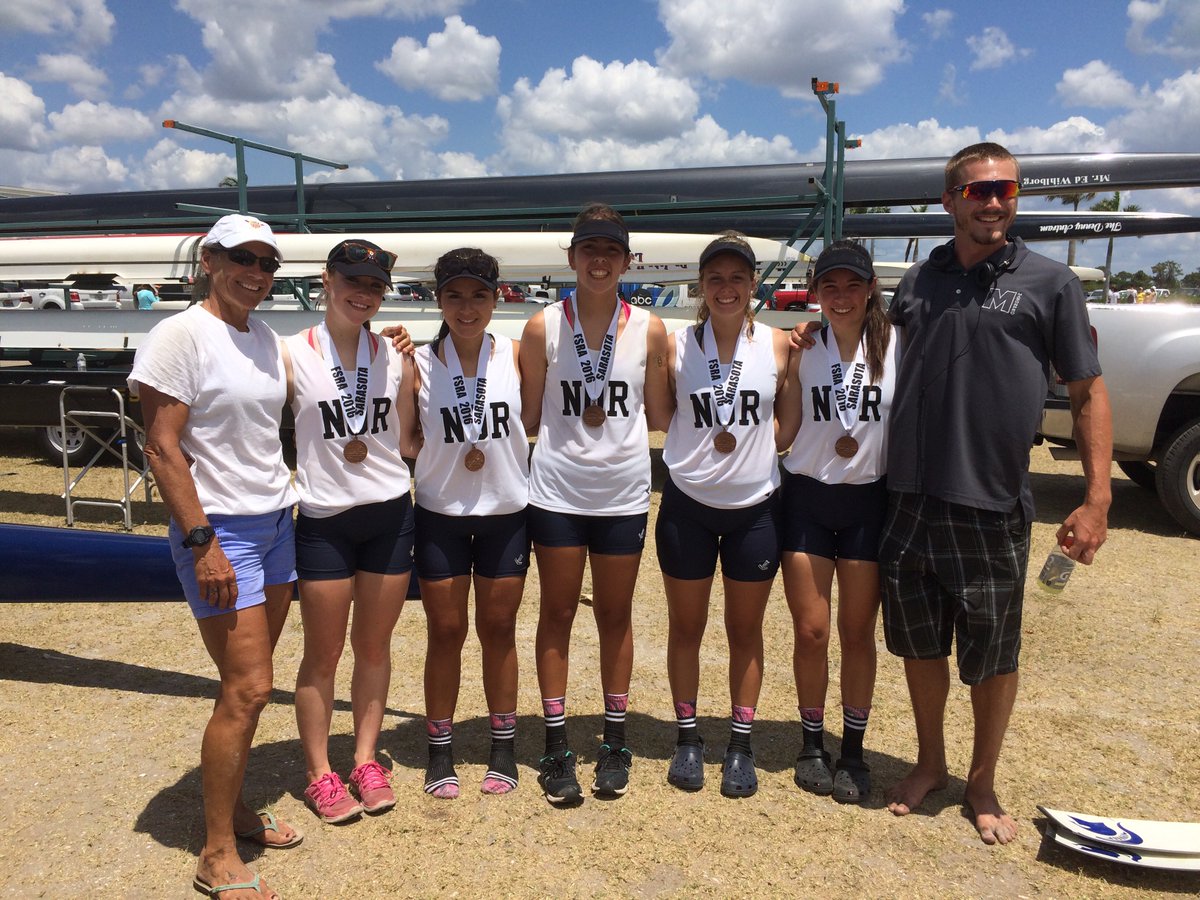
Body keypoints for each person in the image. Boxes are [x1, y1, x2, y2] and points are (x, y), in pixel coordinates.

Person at [879, 142, 1112, 844]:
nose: (993, 202)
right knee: (920, 646)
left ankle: (982, 781)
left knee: (992, 654)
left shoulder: (1050, 283)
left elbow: (1088, 388)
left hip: (992, 503)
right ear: (951, 201)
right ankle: (931, 762)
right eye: (977, 192)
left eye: (1004, 190)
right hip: (910, 498)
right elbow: (879, 362)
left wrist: (1096, 498)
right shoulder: (919, 281)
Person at [129, 214, 300, 900]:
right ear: (209, 259)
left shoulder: (262, 337)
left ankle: (233, 811)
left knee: (253, 687)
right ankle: (216, 849)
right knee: (247, 688)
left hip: (275, 521)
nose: (256, 272)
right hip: (219, 528)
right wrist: (202, 542)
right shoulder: (179, 334)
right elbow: (162, 446)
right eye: (243, 259)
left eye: (267, 264)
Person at [519, 204, 671, 804]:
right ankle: (556, 745)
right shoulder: (541, 327)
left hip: (623, 493)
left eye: (611, 251)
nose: (600, 261)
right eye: (589, 251)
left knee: (615, 616)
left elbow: (658, 414)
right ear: (572, 259)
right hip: (555, 490)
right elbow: (527, 414)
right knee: (556, 614)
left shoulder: (651, 328)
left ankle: (614, 740)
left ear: (627, 260)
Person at [286, 239, 418, 824]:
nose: (362, 294)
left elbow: (408, 441)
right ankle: (319, 772)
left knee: (373, 647)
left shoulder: (396, 355)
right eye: (352, 281)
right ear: (326, 280)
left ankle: (366, 759)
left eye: (374, 286)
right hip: (324, 520)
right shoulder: (291, 353)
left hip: (389, 512)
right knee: (322, 653)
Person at [657, 232, 790, 798]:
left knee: (745, 631)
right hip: (687, 505)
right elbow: (663, 415)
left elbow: (790, 422)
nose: (727, 288)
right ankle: (688, 738)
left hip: (755, 508)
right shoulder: (675, 346)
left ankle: (740, 743)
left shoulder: (783, 346)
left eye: (738, 278)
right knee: (686, 628)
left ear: (753, 284)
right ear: (701, 286)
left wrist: (753, 449)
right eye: (716, 278)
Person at [775, 240, 899, 805]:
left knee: (856, 632)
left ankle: (852, 750)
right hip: (806, 497)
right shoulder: (804, 347)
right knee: (811, 630)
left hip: (868, 503)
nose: (842, 297)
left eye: (852, 285)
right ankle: (809, 744)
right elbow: (784, 426)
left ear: (870, 287)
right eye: (830, 286)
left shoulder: (899, 345)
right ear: (817, 293)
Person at [410, 248, 530, 800]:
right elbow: (406, 438)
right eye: (454, 295)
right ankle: (441, 748)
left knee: (499, 632)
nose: (466, 307)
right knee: (447, 632)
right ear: (438, 299)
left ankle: (502, 745)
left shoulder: (520, 355)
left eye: (478, 295)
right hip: (440, 513)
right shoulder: (413, 362)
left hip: (506, 512)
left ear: (496, 297)